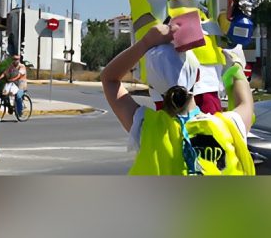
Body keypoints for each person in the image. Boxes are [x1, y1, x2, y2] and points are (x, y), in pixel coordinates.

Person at [101, 23, 255, 175]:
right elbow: (244, 100)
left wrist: (145, 42)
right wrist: (235, 64)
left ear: (152, 87)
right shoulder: (228, 127)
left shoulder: (146, 128)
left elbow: (109, 79)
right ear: (197, 76)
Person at [0, 53, 27, 117]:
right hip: (12, 83)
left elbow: (19, 75)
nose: (15, 60)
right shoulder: (11, 66)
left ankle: (20, 111)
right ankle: (9, 106)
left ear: (19, 59)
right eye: (14, 59)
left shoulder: (22, 66)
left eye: (17, 59)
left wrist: (12, 79)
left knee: (18, 96)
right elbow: (5, 72)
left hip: (21, 84)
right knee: (4, 93)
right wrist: (0, 77)